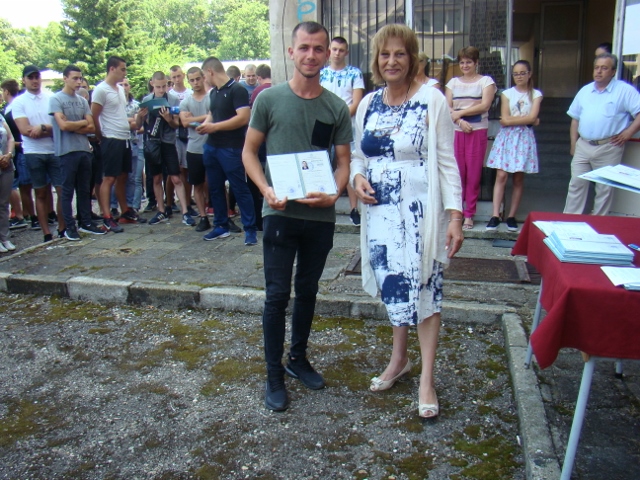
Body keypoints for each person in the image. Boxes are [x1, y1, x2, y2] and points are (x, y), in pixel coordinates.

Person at [351, 24, 463, 419]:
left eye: (400, 53)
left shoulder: (432, 100)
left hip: (421, 216)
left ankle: (426, 379)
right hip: (380, 216)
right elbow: (359, 154)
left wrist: (456, 215)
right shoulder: (368, 103)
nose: (391, 61)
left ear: (413, 58)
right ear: (376, 60)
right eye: (385, 54)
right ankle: (399, 360)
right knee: (395, 288)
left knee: (426, 291)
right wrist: (357, 177)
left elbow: (447, 161)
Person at [243, 21, 352, 411]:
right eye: (304, 47)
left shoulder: (336, 107)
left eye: (318, 48)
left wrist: (335, 193)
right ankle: (273, 373)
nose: (311, 55)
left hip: (320, 217)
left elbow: (343, 162)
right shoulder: (269, 100)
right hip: (279, 212)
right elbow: (249, 152)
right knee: (276, 295)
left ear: (328, 53)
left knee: (307, 291)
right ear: (291, 52)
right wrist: (265, 189)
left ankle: (297, 358)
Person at [563, 53, 640, 215]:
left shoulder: (624, 91)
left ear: (613, 71)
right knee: (576, 184)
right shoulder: (585, 91)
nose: (599, 71)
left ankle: (598, 223)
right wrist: (573, 144)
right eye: (596, 68)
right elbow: (575, 119)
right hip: (583, 145)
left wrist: (628, 133)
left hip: (608, 147)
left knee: (604, 188)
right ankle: (570, 220)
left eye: (604, 68)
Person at [196, 56, 257, 244]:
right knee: (215, 188)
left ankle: (250, 230)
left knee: (239, 188)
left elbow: (243, 117)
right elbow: (213, 113)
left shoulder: (237, 90)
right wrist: (206, 124)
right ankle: (221, 225)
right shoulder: (214, 92)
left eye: (204, 75)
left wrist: (214, 127)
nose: (204, 80)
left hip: (231, 148)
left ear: (210, 72)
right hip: (212, 147)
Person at [485, 60, 543, 232]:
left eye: (522, 73)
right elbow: (505, 119)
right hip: (507, 137)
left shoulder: (536, 94)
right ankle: (495, 215)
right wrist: (529, 120)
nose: (519, 76)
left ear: (529, 74)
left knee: (518, 177)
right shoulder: (507, 94)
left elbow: (530, 117)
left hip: (523, 138)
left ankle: (511, 216)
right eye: (516, 73)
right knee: (501, 175)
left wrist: (515, 120)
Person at [49, 65, 105, 240]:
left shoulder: (82, 101)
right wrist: (81, 123)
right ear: (65, 78)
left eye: (80, 78)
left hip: (84, 150)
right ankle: (69, 227)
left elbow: (91, 126)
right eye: (75, 78)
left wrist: (73, 125)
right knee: (67, 191)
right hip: (66, 152)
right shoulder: (56, 99)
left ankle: (86, 222)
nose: (78, 81)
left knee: (84, 189)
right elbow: (62, 125)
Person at [12, 65, 66, 242]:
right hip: (33, 151)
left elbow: (60, 125)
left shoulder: (51, 97)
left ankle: (62, 227)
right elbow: (25, 130)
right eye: (31, 77)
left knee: (62, 190)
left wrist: (42, 127)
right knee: (40, 192)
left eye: (37, 77)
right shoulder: (19, 102)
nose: (35, 81)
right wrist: (48, 129)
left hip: (54, 149)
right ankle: (46, 233)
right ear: (24, 80)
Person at [445, 46, 496, 230]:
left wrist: (460, 114)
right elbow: (447, 107)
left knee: (473, 175)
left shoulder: (486, 81)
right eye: (462, 62)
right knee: (457, 173)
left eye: (468, 62)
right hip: (457, 131)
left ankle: (469, 214)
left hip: (477, 131)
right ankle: (456, 213)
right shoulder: (452, 83)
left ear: (476, 63)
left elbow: (485, 105)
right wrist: (460, 121)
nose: (465, 65)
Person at [137, 72, 195, 227]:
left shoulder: (173, 99)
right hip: (152, 143)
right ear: (152, 84)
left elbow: (176, 124)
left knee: (176, 177)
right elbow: (138, 125)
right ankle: (161, 210)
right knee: (156, 178)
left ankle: (185, 211)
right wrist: (140, 116)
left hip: (168, 143)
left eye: (164, 86)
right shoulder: (147, 100)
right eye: (158, 87)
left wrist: (169, 119)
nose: (161, 90)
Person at [91, 56, 141, 232]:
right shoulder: (101, 90)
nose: (125, 73)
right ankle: (107, 216)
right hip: (110, 138)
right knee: (109, 178)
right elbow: (94, 115)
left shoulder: (119, 89)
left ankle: (125, 211)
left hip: (124, 137)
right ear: (112, 69)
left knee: (123, 176)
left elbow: (119, 114)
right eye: (122, 69)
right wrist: (100, 136)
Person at [320, 36, 365, 226]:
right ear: (329, 51)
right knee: (321, 164)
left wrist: (339, 119)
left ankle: (354, 208)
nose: (337, 53)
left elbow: (356, 101)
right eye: (334, 49)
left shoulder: (354, 73)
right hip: (323, 124)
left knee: (347, 165)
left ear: (346, 52)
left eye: (341, 50)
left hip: (347, 125)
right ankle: (321, 205)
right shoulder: (321, 74)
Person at [179, 67, 211, 232]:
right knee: (197, 184)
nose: (196, 82)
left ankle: (224, 217)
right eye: (192, 80)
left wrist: (193, 118)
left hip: (211, 146)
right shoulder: (185, 102)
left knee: (215, 183)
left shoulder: (211, 97)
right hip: (194, 148)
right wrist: (206, 117)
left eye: (198, 79)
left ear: (203, 78)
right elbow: (184, 122)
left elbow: (216, 116)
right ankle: (203, 217)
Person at [0, 112, 17, 252]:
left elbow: (10, 137)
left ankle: (4, 237)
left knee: (4, 203)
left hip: (6, 164)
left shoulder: (1, 117)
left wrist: (9, 154)